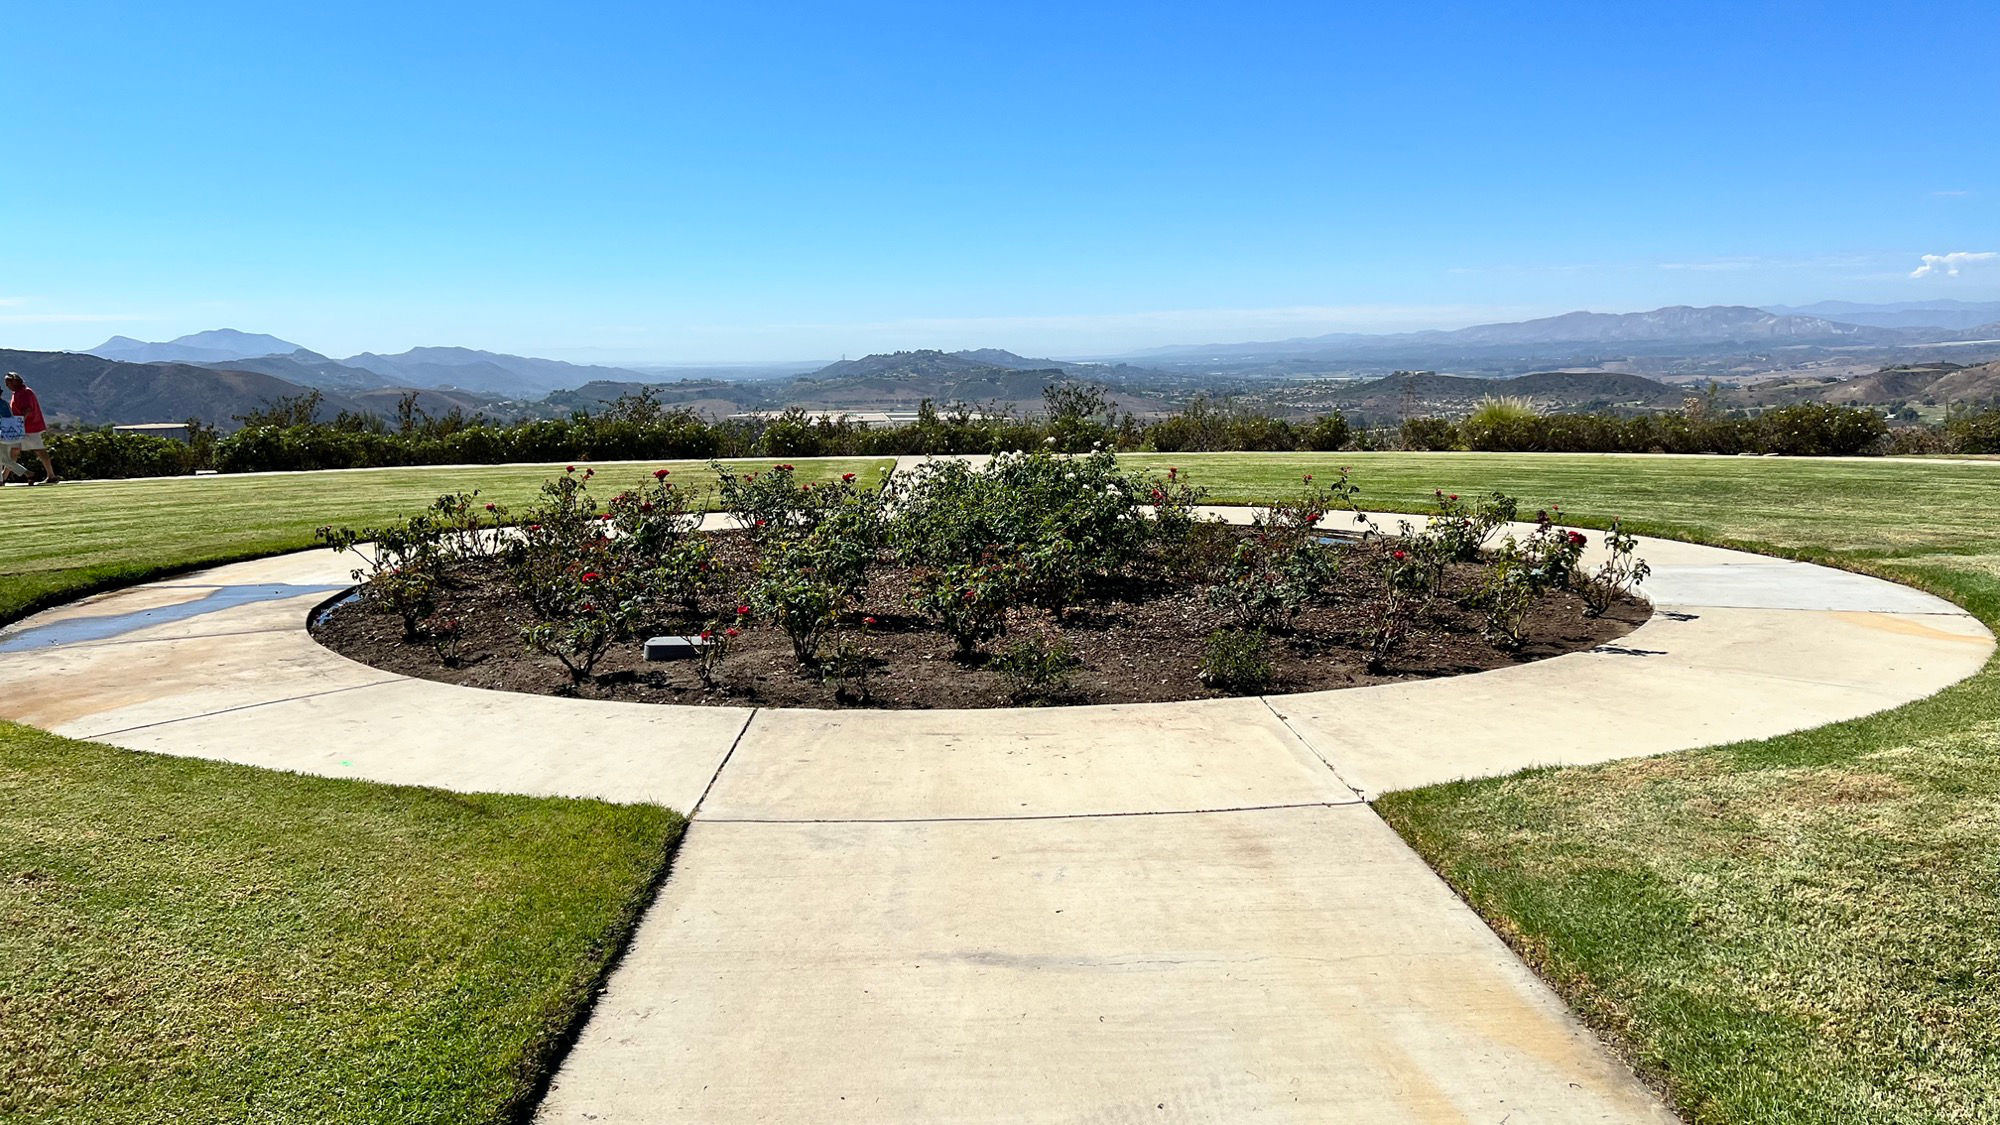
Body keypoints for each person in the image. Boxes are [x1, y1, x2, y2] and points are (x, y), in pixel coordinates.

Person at [4, 372, 58, 484]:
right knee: (13, 452)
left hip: (29, 427)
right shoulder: (19, 393)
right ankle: (3, 477)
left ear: (14, 382)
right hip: (22, 427)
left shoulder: (24, 393)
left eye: (8, 382)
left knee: (38, 450)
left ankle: (51, 475)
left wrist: (20, 422)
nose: (7, 385)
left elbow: (27, 409)